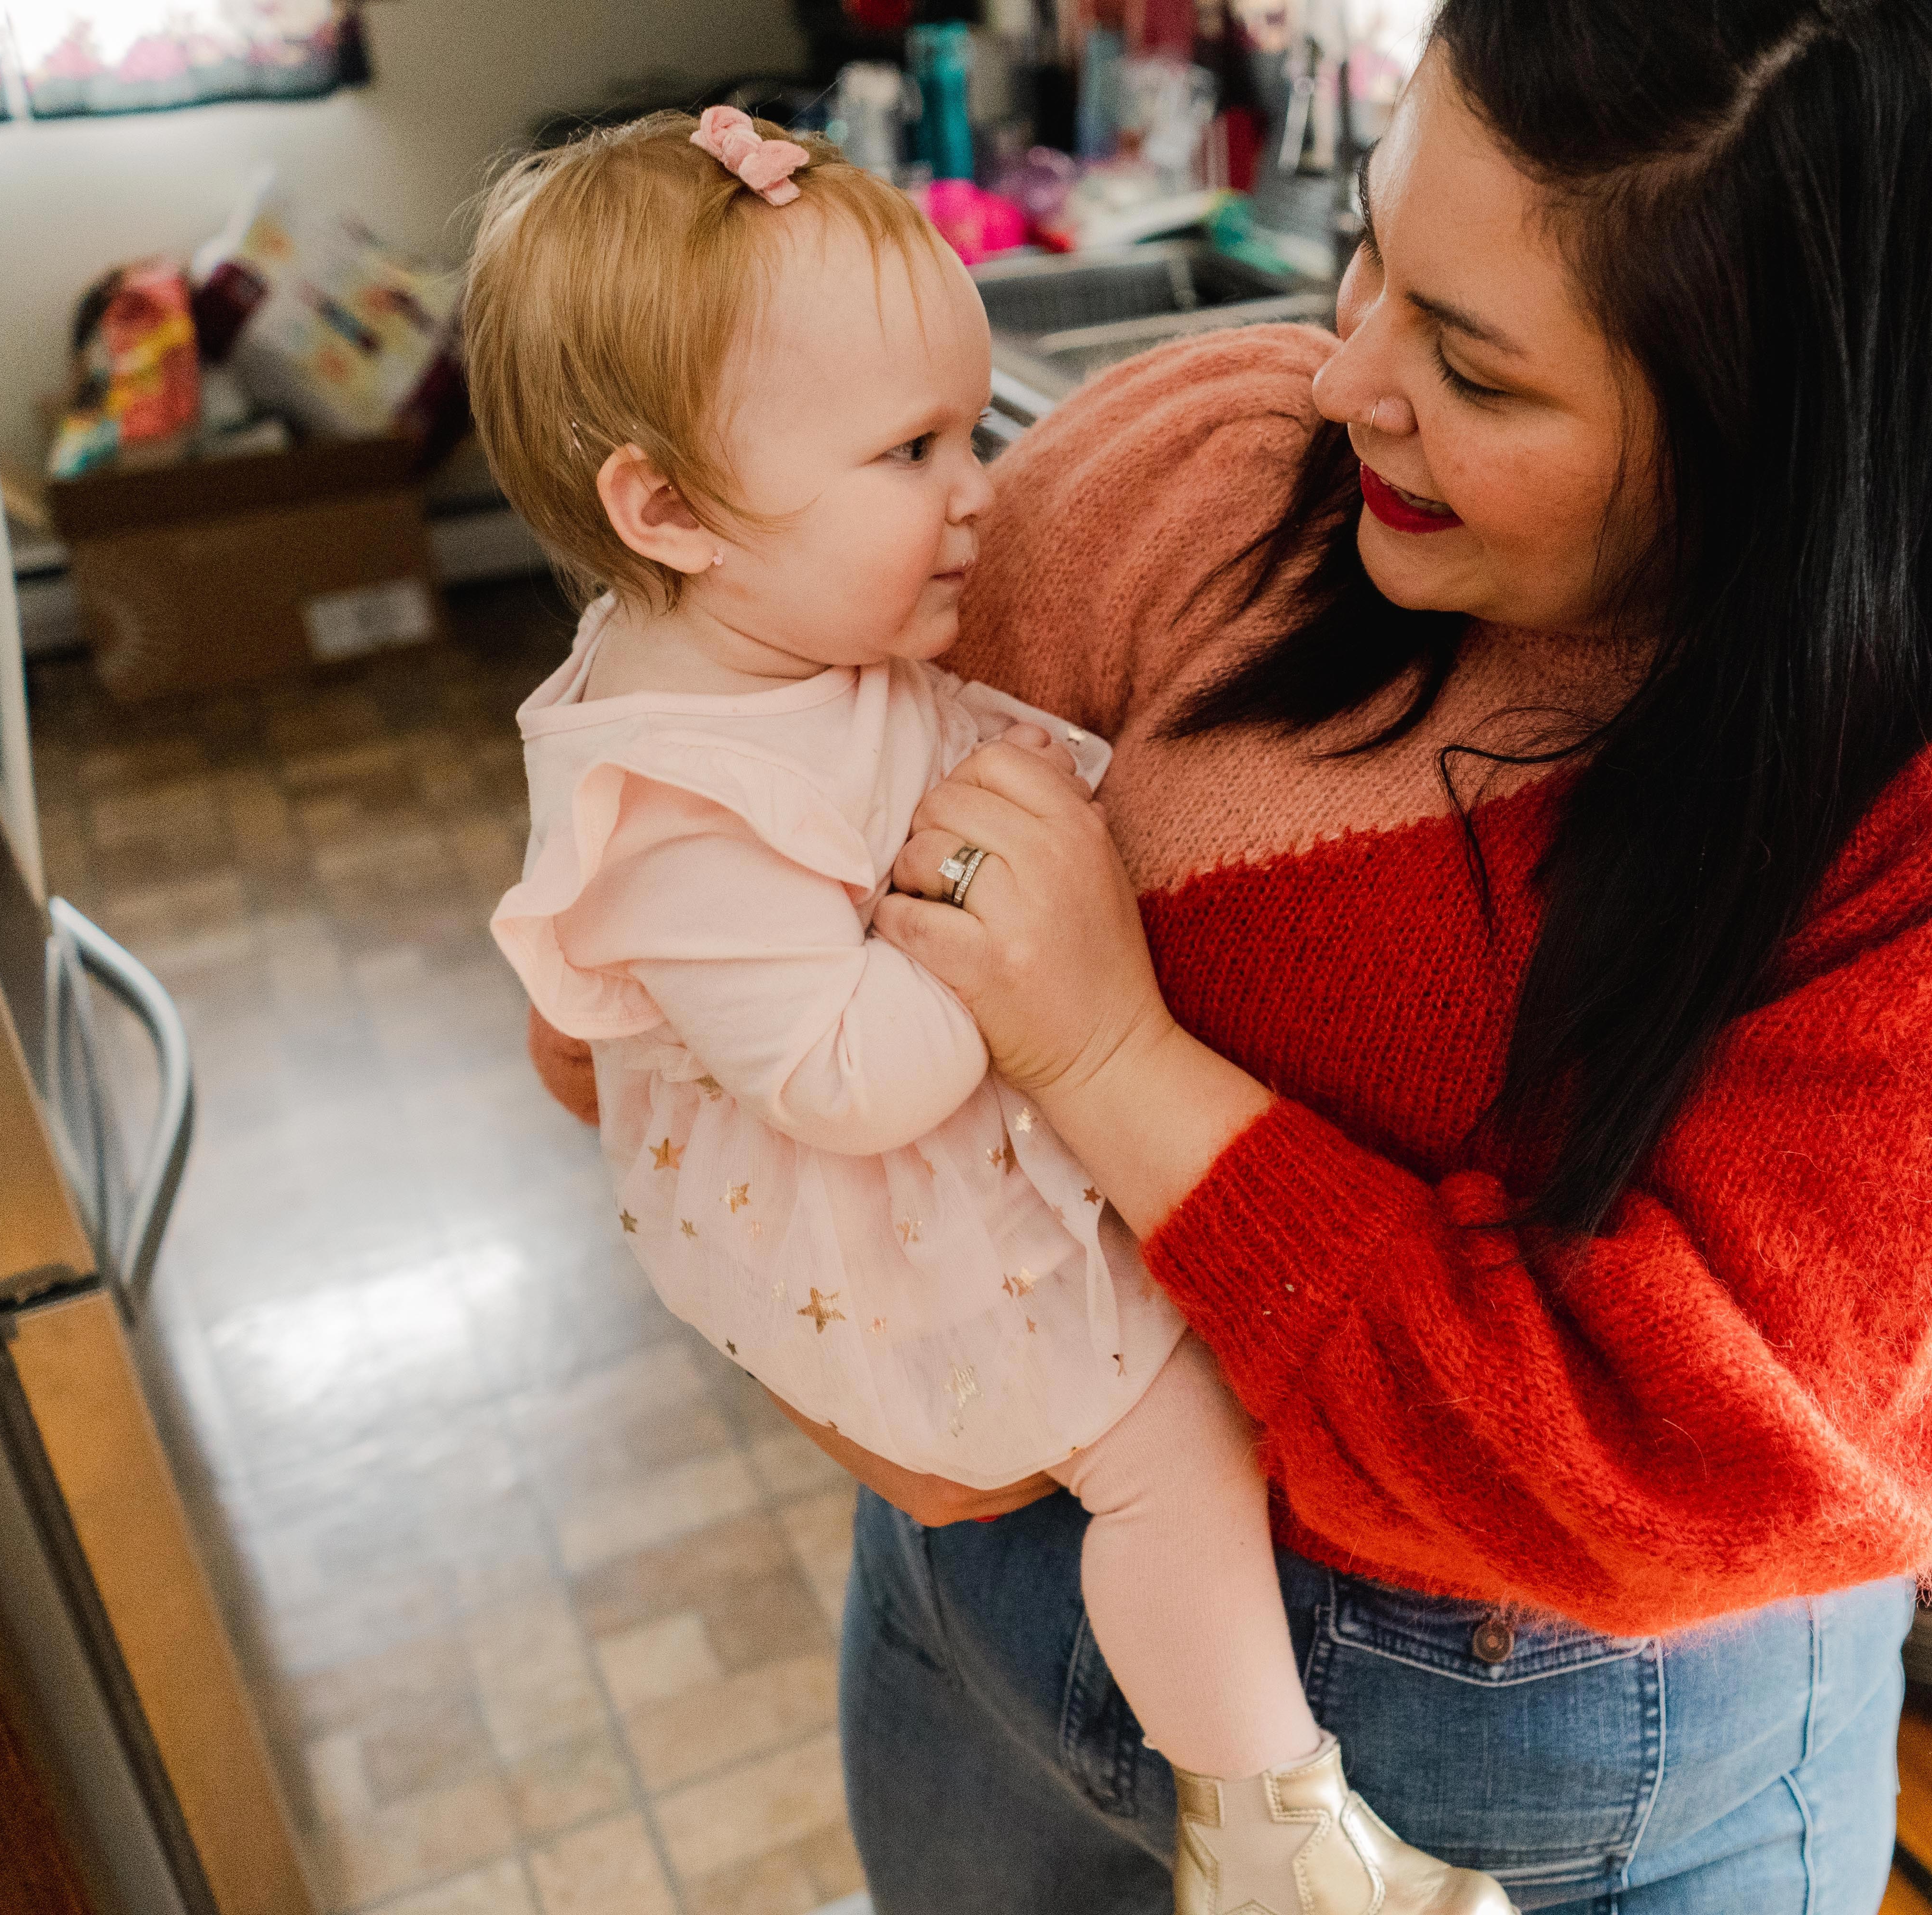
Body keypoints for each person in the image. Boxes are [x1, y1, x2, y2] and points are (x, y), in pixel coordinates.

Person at [526, 0, 1932, 1905]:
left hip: (1539, 1779)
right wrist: (844, 1386)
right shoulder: (1201, 476)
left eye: (1478, 374)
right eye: (1374, 251)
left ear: (1789, 441)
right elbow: (669, 958)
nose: (1345, 383)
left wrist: (1110, 1060)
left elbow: (1686, 1449)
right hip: (991, 1629)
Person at [471, 108, 1511, 1915]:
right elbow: (850, 1080)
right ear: (669, 513)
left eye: (969, 431)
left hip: (942, 1181)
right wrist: (1038, 952)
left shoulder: (791, 644)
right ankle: (1266, 1819)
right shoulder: (683, 795)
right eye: (909, 449)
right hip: (877, 1226)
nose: (980, 489)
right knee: (1169, 1450)